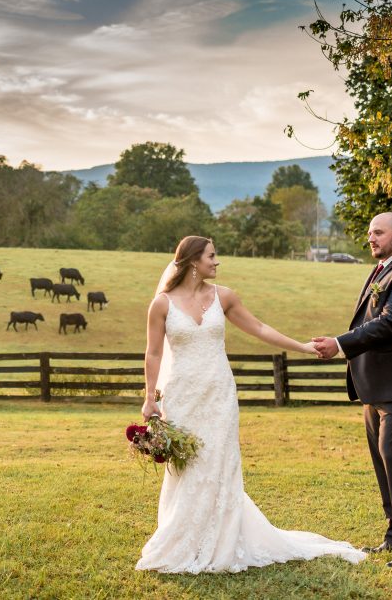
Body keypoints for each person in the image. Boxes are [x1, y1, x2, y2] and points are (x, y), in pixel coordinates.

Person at [136, 235, 366, 573]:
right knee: (188, 465)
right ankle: (185, 538)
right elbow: (153, 353)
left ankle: (224, 540)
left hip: (219, 393)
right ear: (192, 261)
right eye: (211, 256)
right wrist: (149, 397)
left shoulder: (223, 297)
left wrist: (302, 347)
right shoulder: (162, 304)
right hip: (182, 393)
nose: (217, 262)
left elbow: (258, 327)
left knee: (220, 461)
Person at [312, 212, 392, 567]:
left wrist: (340, 345)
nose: (371, 238)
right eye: (370, 233)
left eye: (378, 233)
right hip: (379, 386)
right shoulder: (385, 268)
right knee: (385, 466)